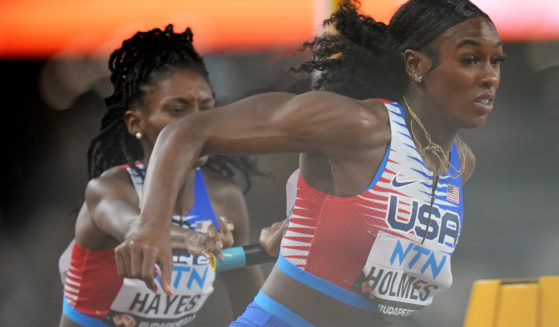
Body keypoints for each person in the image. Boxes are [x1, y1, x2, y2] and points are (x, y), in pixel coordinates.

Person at [114, 0, 507, 325]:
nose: (490, 76)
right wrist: (150, 225)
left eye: (496, 61)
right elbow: (187, 132)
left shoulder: (459, 164)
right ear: (415, 65)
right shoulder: (358, 126)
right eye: (472, 59)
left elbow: (387, 270)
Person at [59, 24, 265, 327]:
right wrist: (192, 239)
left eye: (206, 109)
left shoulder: (224, 200)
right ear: (135, 123)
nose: (196, 126)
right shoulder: (109, 191)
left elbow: (253, 313)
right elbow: (136, 232)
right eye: (177, 110)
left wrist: (276, 251)